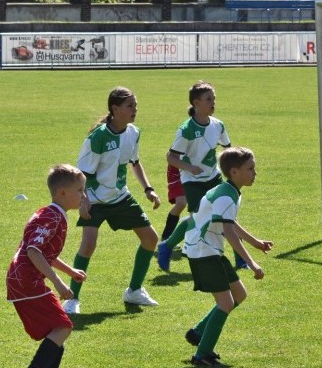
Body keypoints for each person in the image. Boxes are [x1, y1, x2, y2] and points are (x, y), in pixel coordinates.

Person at [64, 87, 162, 313]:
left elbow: (134, 162)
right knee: (88, 246)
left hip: (120, 196)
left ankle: (134, 292)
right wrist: (84, 200)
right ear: (115, 109)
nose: (135, 110)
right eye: (130, 106)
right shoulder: (98, 137)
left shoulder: (134, 132)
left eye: (135, 105)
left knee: (150, 239)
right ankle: (72, 299)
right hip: (95, 199)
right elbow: (83, 174)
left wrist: (148, 189)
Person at [7, 164, 89, 368]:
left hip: (22, 279)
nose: (83, 195)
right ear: (62, 192)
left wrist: (70, 271)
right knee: (63, 327)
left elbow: (46, 253)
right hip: (26, 281)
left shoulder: (52, 214)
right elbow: (33, 251)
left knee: (58, 330)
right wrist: (59, 283)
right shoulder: (52, 217)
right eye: (80, 190)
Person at [183, 147, 272, 367]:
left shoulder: (230, 191)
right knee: (225, 303)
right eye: (250, 168)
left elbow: (230, 223)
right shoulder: (226, 195)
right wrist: (251, 263)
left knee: (239, 295)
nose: (255, 172)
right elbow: (229, 232)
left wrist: (256, 243)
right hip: (203, 251)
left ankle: (198, 332)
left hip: (210, 250)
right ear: (234, 172)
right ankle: (202, 355)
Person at [157, 80, 247, 272]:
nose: (213, 103)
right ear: (196, 103)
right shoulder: (186, 129)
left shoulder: (218, 125)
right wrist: (189, 168)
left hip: (214, 178)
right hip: (193, 182)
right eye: (208, 99)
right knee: (199, 219)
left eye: (214, 99)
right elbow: (171, 157)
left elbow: (227, 149)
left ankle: (240, 261)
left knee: (226, 215)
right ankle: (166, 246)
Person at [159, 164, 188, 243]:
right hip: (177, 173)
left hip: (198, 172)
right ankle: (166, 237)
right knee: (181, 203)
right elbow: (171, 155)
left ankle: (188, 222)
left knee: (199, 205)